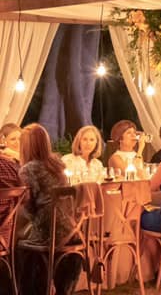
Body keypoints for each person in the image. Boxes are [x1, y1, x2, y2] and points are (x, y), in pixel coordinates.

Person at [17, 124, 82, 294]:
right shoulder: (58, 164)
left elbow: (29, 208)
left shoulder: (28, 169)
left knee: (17, 245)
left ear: (26, 146)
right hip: (72, 231)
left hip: (49, 233)